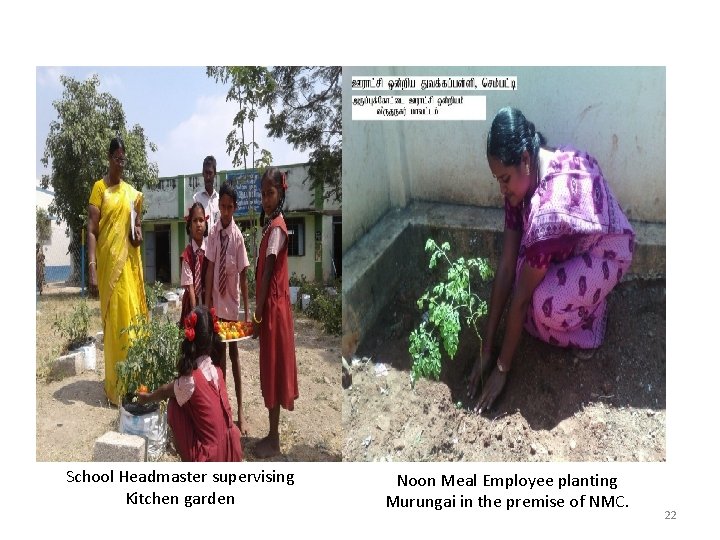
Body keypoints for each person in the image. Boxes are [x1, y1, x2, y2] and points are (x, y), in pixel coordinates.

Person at [467, 107, 634, 413]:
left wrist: (502, 369)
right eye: (497, 180)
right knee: (521, 270)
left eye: (504, 179)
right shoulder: (524, 182)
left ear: (526, 160)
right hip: (577, 243)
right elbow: (506, 267)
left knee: (543, 306)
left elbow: (519, 299)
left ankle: (593, 322)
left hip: (608, 251)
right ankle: (581, 296)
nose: (501, 189)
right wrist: (486, 347)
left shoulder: (547, 215)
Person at [137, 305, 243, 462]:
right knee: (185, 398)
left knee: (174, 403)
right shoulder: (217, 370)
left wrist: (146, 398)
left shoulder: (190, 380)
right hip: (230, 448)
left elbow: (165, 391)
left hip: (211, 457)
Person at [88, 136, 148, 405]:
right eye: (117, 158)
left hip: (127, 269)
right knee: (114, 327)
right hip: (107, 269)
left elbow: (136, 234)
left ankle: (134, 382)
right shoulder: (99, 189)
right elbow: (92, 231)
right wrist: (91, 267)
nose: (121, 163)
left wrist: (137, 234)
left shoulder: (131, 194)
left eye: (124, 159)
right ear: (109, 158)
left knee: (130, 323)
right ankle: (115, 386)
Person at [252, 167, 299, 458]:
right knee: (271, 367)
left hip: (273, 309)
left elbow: (268, 272)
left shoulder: (277, 229)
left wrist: (257, 315)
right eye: (263, 194)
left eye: (270, 194)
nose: (266, 199)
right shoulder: (272, 227)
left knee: (273, 368)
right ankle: (272, 434)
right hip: (273, 306)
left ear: (280, 194)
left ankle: (273, 437)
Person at [204, 181, 250, 434]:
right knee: (217, 357)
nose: (225, 211)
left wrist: (246, 309)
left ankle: (240, 410)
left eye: (230, 207)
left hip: (232, 307)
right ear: (218, 205)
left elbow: (243, 274)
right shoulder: (213, 234)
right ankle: (222, 409)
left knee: (234, 356)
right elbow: (210, 267)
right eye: (222, 206)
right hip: (216, 305)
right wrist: (207, 304)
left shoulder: (238, 237)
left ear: (235, 208)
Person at [179, 202, 209, 324]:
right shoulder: (186, 255)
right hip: (191, 305)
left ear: (206, 224)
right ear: (189, 226)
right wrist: (195, 314)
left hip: (208, 301)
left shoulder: (210, 252)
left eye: (201, 220)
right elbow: (191, 288)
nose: (198, 224)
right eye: (195, 221)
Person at [193, 155, 220, 231]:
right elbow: (192, 228)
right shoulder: (196, 199)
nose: (208, 177)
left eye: (210, 173)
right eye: (206, 173)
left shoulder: (220, 200)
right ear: (202, 174)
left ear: (215, 174)